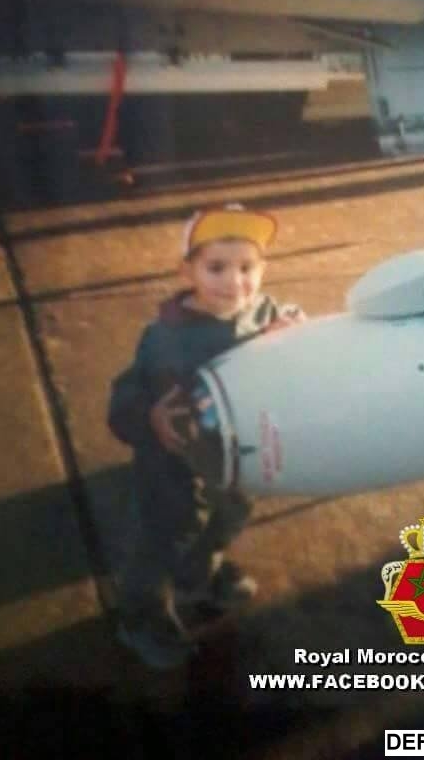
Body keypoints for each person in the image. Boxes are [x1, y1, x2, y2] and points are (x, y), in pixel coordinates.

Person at [107, 204, 305, 668]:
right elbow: (124, 400)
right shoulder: (166, 338)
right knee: (165, 536)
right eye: (216, 267)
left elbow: (294, 335)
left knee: (228, 517)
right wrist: (149, 417)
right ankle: (140, 614)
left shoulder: (264, 312)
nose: (234, 282)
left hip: (237, 457)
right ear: (188, 271)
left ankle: (199, 576)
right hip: (174, 466)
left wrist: (296, 334)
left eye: (247, 267)